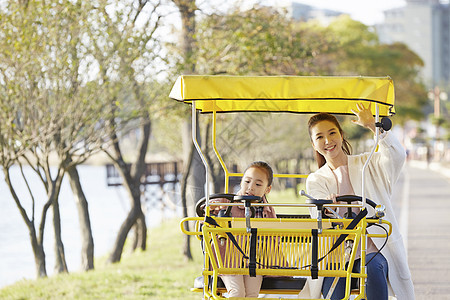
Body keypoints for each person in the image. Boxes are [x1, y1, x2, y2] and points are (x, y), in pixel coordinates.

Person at [305, 103, 415, 300]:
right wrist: (328, 209)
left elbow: (397, 155)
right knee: (335, 290)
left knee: (372, 268)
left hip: (372, 247)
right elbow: (316, 210)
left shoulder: (368, 163)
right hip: (336, 252)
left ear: (341, 135)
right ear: (314, 144)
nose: (328, 141)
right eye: (320, 137)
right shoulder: (316, 179)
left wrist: (374, 126)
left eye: (332, 133)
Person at [210, 161, 276, 298]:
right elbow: (208, 208)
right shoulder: (228, 202)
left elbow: (274, 236)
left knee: (252, 294)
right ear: (241, 182)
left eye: (258, 184)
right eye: (247, 181)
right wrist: (211, 207)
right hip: (229, 260)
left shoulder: (268, 210)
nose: (250, 187)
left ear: (267, 189)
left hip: (255, 261)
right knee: (237, 292)